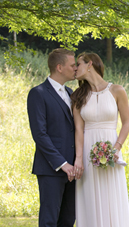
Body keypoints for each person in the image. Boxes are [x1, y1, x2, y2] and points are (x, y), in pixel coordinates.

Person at [71, 52, 129, 227]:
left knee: (111, 196)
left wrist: (116, 148)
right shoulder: (77, 97)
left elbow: (126, 123)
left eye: (79, 64)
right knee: (90, 197)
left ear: (90, 64)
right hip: (87, 153)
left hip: (112, 150)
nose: (75, 68)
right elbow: (78, 129)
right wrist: (79, 159)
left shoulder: (117, 90)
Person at [27, 48, 78, 227]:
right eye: (72, 65)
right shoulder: (38, 93)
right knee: (49, 221)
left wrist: (75, 163)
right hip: (51, 169)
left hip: (74, 170)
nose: (76, 69)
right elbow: (40, 134)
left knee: (68, 220)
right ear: (59, 67)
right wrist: (62, 164)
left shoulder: (72, 93)